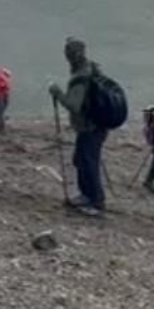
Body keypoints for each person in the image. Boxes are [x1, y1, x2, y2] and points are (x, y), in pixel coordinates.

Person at [47, 38, 106, 217]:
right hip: (95, 125)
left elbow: (73, 105)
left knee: (88, 162)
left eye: (69, 53)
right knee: (82, 159)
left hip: (90, 126)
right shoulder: (92, 69)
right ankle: (86, 195)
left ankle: (95, 200)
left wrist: (57, 92)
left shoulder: (82, 76)